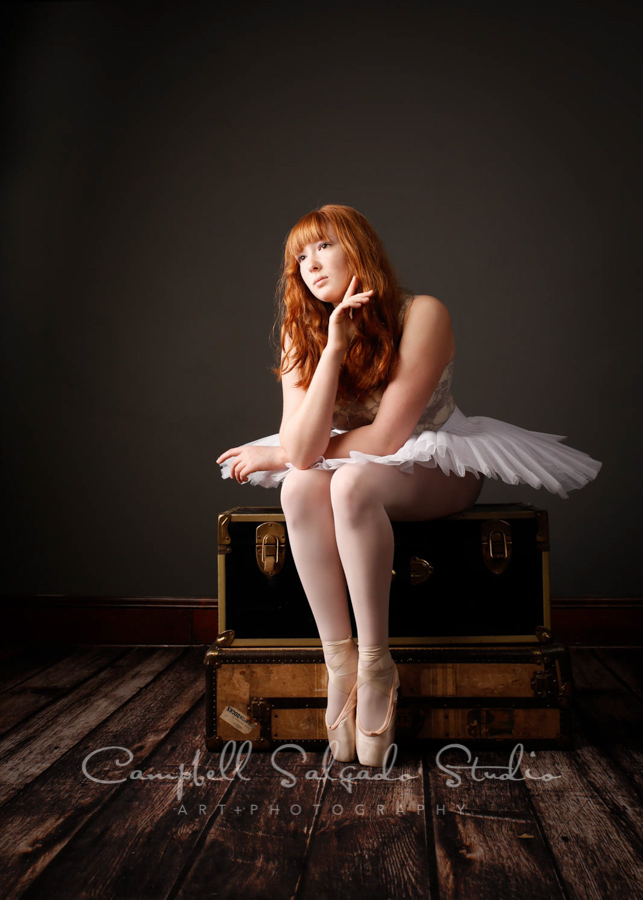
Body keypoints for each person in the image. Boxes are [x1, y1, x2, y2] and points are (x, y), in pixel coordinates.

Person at [216, 203, 602, 768]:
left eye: (323, 246)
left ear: (359, 248)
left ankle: (376, 663)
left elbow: (389, 437)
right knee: (298, 489)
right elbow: (304, 459)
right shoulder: (303, 334)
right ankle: (339, 663)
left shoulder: (423, 313)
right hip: (353, 461)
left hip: (435, 461)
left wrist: (281, 450)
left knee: (348, 486)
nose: (310, 265)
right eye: (299, 257)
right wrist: (333, 347)